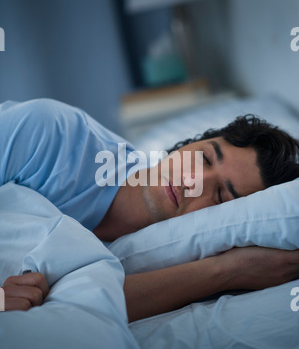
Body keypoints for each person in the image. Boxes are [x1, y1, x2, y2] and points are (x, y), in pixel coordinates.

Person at [1, 98, 299, 321]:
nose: (191, 181)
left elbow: (94, 299)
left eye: (221, 196)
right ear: (192, 142)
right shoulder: (50, 136)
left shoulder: (176, 256)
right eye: (206, 158)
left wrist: (232, 270)